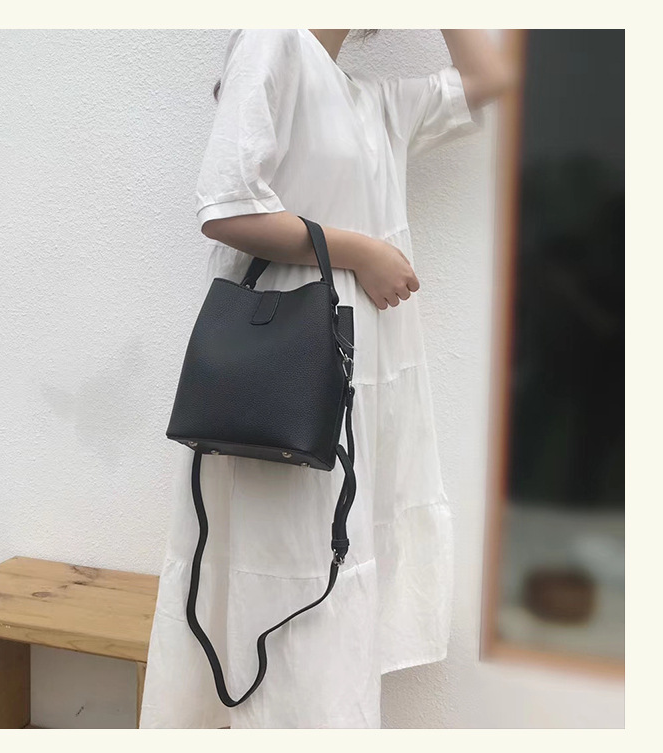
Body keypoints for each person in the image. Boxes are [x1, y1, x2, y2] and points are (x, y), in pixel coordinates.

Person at [140, 28, 516, 729]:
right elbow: (226, 205)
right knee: (287, 567)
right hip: (291, 373)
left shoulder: (369, 99)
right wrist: (360, 252)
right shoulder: (272, 37)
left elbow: (490, 79)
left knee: (331, 565)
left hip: (352, 376)